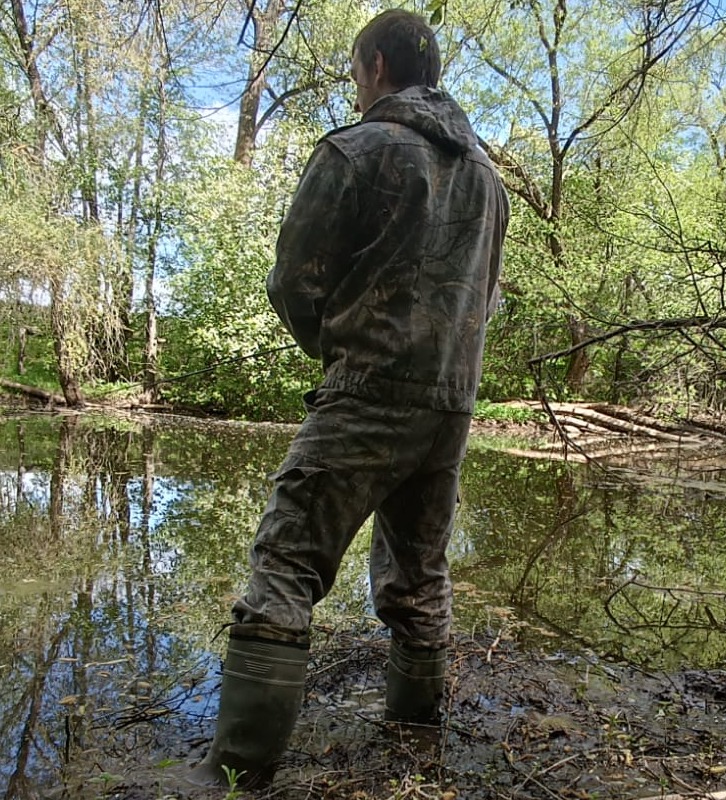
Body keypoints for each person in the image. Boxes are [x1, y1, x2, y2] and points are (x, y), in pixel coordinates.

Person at [188, 8, 509, 788]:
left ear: (374, 69)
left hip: (367, 390)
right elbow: (487, 302)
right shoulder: (490, 181)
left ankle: (239, 770)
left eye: (355, 69)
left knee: (288, 559)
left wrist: (343, 356)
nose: (354, 82)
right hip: (450, 405)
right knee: (419, 573)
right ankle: (414, 741)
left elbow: (293, 280)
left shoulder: (356, 149)